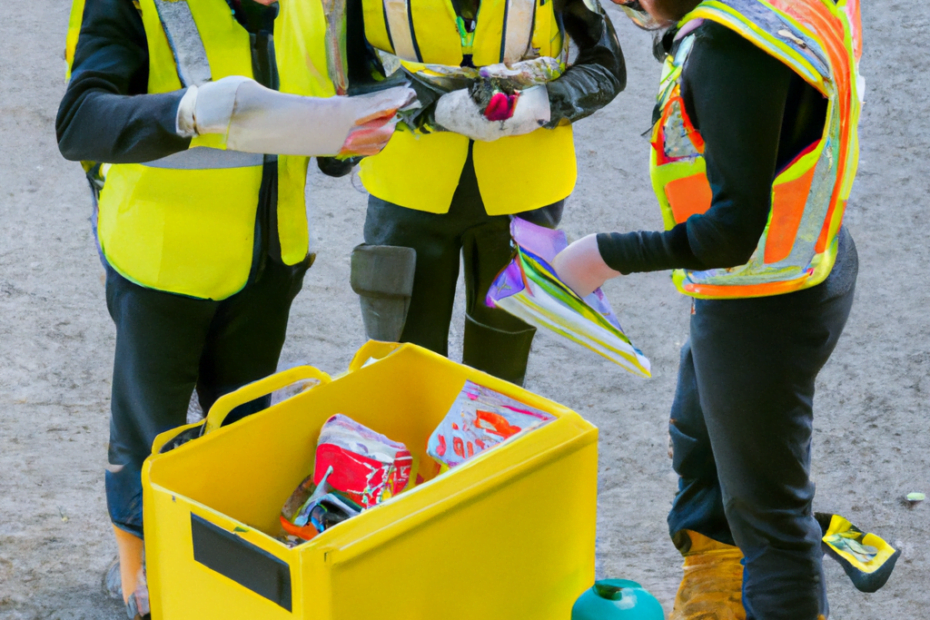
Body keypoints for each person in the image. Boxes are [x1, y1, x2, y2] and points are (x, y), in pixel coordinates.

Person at [57, 0, 413, 616]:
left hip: (269, 259)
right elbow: (79, 122)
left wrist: (362, 130)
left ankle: (230, 562)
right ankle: (138, 569)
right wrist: (184, 111)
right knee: (151, 426)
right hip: (162, 262)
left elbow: (346, 105)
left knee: (247, 424)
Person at [553, 0, 863, 618]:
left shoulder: (730, 49)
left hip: (761, 300)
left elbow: (730, 231)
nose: (634, 8)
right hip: (804, 263)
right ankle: (718, 595)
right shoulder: (772, 12)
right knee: (699, 439)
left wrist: (603, 255)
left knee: (770, 521)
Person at [349, 0, 627, 386]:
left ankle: (493, 444)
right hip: (405, 190)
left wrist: (543, 102)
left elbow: (605, 65)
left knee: (500, 375)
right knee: (405, 366)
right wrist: (432, 108)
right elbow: (342, 71)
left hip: (524, 192)